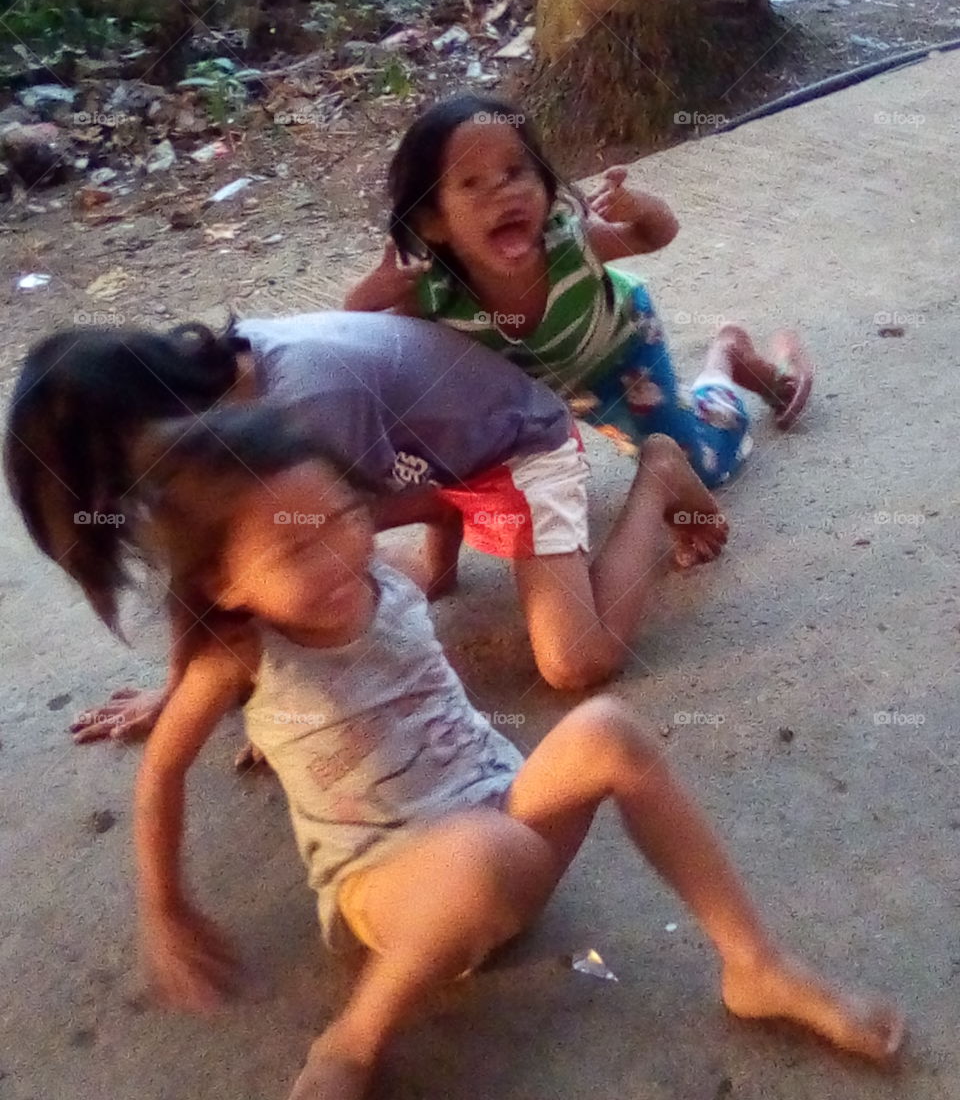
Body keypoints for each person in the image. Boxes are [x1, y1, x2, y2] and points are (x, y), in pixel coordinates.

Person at [127, 405, 900, 1100]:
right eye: (295, 552)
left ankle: (754, 964)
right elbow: (162, 771)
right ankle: (354, 1040)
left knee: (608, 728)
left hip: (508, 817)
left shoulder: (386, 580)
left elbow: (430, 547)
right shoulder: (237, 660)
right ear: (223, 585)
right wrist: (165, 907)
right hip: (392, 888)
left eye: (343, 517)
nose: (337, 556)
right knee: (479, 852)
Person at [4, 313, 727, 740]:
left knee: (575, 661)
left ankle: (658, 472)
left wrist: (299, 695)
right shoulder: (218, 399)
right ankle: (445, 543)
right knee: (284, 554)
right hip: (432, 460)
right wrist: (178, 686)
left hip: (519, 449)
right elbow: (205, 564)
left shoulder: (306, 402)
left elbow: (318, 570)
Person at [344, 93, 813, 487]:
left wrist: (638, 206)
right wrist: (366, 294)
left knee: (694, 464)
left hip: (624, 347)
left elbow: (657, 234)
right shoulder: (434, 294)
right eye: (472, 183)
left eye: (515, 172)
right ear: (433, 223)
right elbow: (361, 343)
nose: (505, 193)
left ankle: (726, 360)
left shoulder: (570, 246)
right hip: (551, 393)